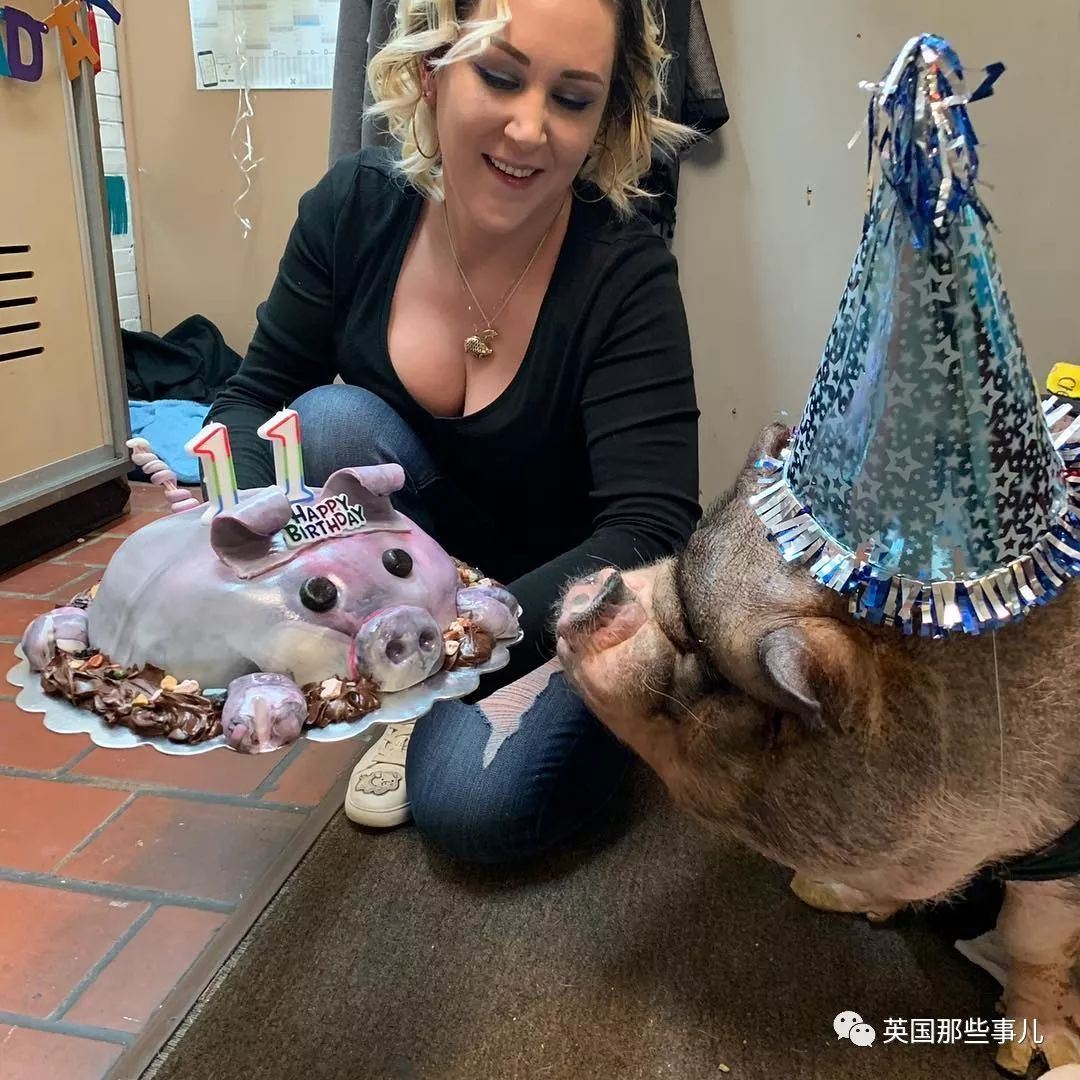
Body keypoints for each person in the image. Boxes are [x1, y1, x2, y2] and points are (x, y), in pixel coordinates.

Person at [207, 0, 702, 863]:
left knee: (474, 808)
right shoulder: (354, 208)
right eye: (500, 77)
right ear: (431, 72)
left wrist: (460, 637)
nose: (529, 129)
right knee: (329, 422)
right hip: (420, 574)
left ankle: (458, 693)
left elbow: (650, 528)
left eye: (571, 99)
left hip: (560, 603)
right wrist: (225, 534)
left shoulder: (625, 274)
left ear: (603, 121)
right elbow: (253, 399)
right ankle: (409, 680)